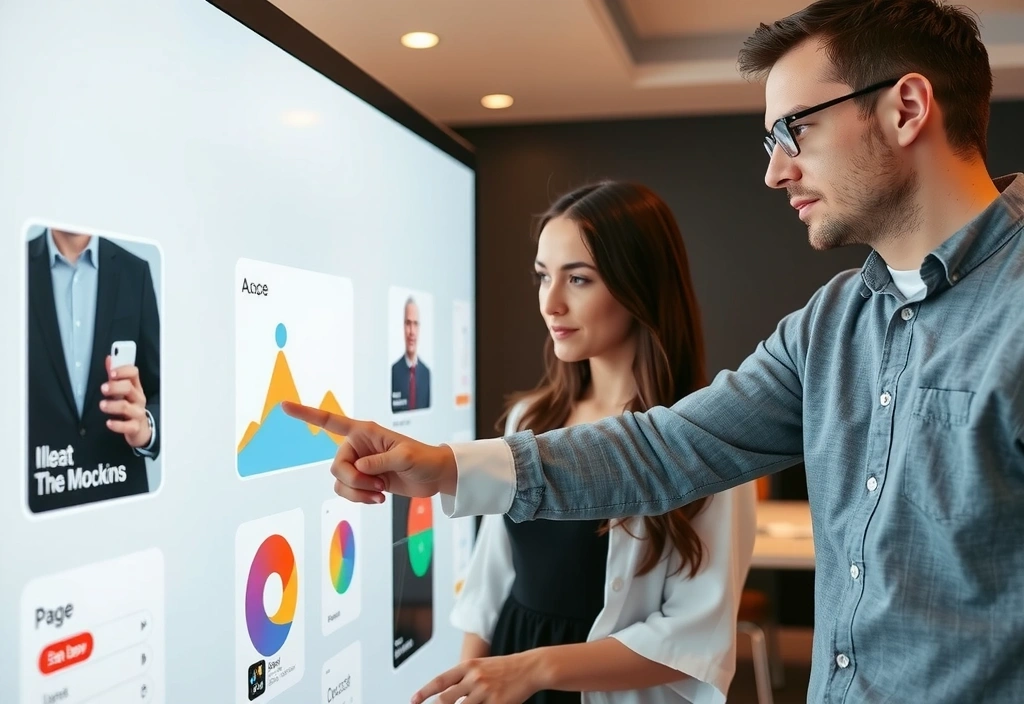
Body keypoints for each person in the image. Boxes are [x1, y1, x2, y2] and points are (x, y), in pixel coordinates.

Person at [284, 1, 1024, 701]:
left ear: (906, 107)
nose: (774, 171)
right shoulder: (832, 322)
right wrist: (443, 466)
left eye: (793, 130)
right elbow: (665, 448)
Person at [423, 182, 756, 704]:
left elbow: (693, 636)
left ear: (640, 285)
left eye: (578, 279)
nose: (550, 303)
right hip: (511, 678)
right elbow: (489, 582)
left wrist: (535, 669)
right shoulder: (529, 418)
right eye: (542, 277)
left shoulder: (704, 437)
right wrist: (466, 687)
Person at [27, 227, 161, 513]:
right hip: (36, 507)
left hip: (121, 503)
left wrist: (146, 427)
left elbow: (163, 388)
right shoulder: (13, 265)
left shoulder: (134, 272)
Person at [391, 295, 431, 412]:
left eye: (415, 324)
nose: (412, 332)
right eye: (408, 323)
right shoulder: (393, 372)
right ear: (403, 327)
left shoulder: (427, 374)